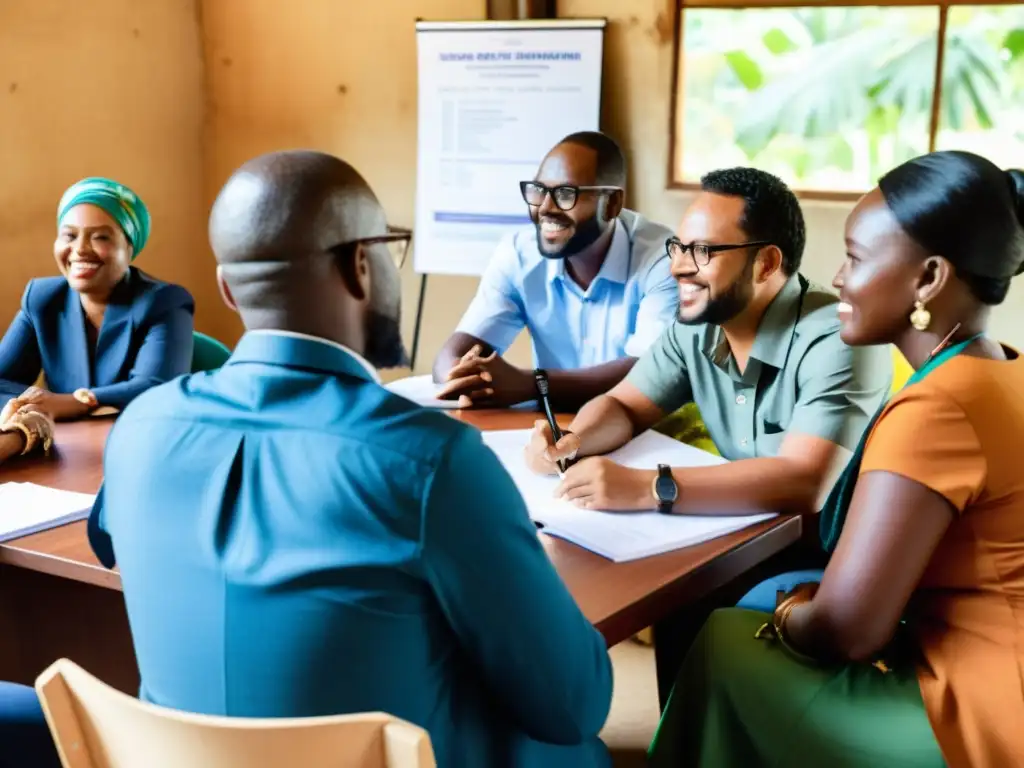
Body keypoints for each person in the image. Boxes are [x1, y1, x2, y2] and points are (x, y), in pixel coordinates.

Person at [86, 151, 613, 767]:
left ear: (228, 291)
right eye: (391, 247)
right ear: (362, 265)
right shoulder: (432, 460)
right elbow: (574, 703)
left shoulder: (139, 427)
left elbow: (111, 544)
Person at [648, 151, 1024, 768]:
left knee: (725, 640)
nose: (839, 277)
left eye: (856, 256)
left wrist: (795, 608)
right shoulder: (1001, 368)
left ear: (928, 279)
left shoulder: (937, 408)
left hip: (977, 713)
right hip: (997, 665)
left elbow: (851, 631)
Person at [526, 167, 891, 515]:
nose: (678, 267)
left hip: (824, 557)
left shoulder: (839, 339)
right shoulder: (698, 325)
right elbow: (624, 406)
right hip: (741, 539)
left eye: (703, 251)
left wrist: (648, 488)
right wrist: (571, 442)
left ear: (765, 263)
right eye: (678, 247)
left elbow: (805, 481)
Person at [433, 131, 676, 410]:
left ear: (611, 204)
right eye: (539, 191)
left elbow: (650, 373)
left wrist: (534, 385)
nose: (545, 209)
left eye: (565, 194)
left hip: (645, 430)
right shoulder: (518, 254)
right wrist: (460, 375)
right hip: (552, 430)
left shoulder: (663, 259)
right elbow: (456, 352)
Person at [0, 177, 195, 418]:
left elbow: (156, 388)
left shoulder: (164, 301)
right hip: (66, 446)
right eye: (69, 236)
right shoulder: (42, 299)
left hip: (137, 441)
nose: (80, 249)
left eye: (101, 237)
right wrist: (31, 406)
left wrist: (75, 402)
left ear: (130, 247)